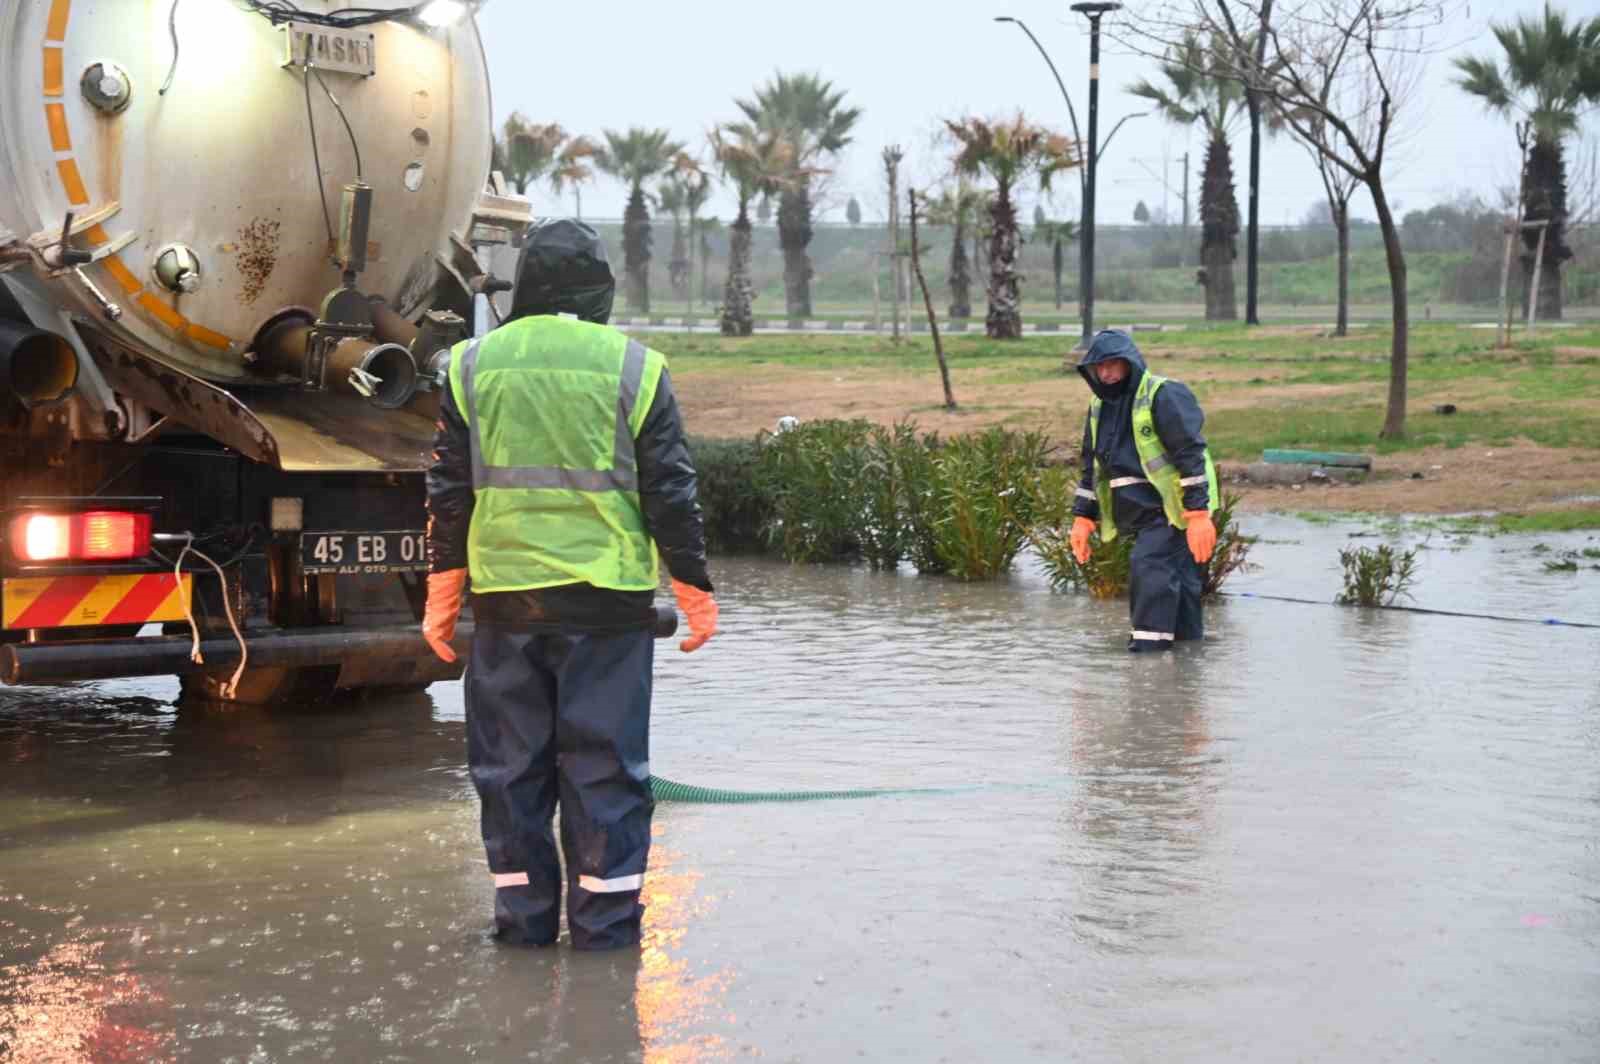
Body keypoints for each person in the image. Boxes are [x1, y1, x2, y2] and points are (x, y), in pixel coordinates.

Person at [421, 218, 719, 950]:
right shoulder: (636, 367)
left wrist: (442, 594)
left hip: (506, 606)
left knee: (510, 771)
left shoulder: (469, 364)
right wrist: (694, 589)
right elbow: (671, 490)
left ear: (523, 283)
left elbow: (448, 491)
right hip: (609, 609)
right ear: (600, 286)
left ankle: (521, 930)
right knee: (607, 772)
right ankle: (606, 935)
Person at [1069, 329, 1218, 652]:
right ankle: (1187, 660)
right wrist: (1083, 517)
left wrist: (1197, 514)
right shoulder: (1099, 407)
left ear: (1129, 362)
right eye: (1099, 367)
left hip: (1174, 506)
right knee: (1181, 580)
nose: (1106, 373)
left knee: (1149, 565)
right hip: (1142, 510)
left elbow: (1189, 453)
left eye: (1113, 364)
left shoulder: (1163, 394)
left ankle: (1148, 655)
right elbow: (1091, 466)